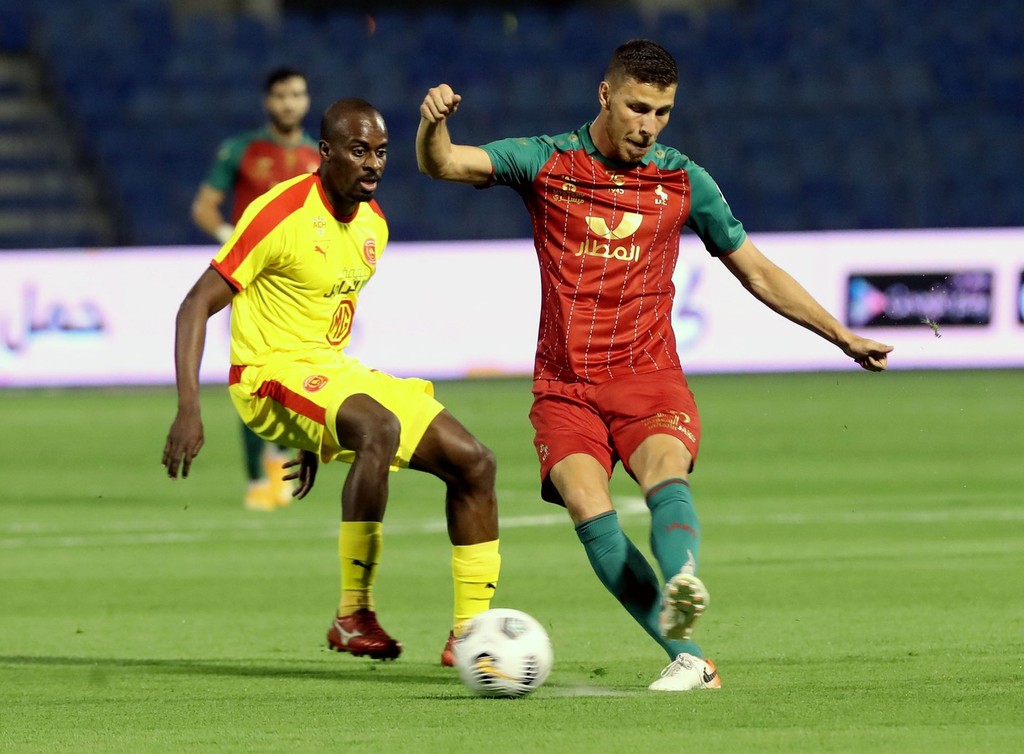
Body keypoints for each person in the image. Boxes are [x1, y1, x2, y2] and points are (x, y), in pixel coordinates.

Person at [416, 39, 894, 691]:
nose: (649, 125)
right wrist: (433, 125)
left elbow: (756, 270)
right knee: (588, 507)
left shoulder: (682, 181)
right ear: (605, 95)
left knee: (663, 473)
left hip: (648, 377)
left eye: (662, 112)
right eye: (637, 108)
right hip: (564, 388)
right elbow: (444, 163)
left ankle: (682, 576)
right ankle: (691, 658)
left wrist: (840, 336)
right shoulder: (546, 161)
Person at [165, 98, 501, 665]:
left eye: (381, 152)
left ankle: (472, 636)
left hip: (330, 373)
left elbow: (322, 325)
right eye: (359, 150)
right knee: (379, 427)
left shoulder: (373, 226)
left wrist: (322, 428)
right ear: (325, 152)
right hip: (267, 374)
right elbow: (195, 304)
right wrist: (188, 407)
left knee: (475, 462)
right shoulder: (281, 212)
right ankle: (353, 615)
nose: (373, 164)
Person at [191, 66, 321, 511]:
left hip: (299, 287)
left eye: (297, 94)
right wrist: (231, 236)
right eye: (281, 95)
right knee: (250, 377)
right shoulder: (242, 150)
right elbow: (204, 207)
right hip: (248, 283)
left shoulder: (318, 158)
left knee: (299, 375)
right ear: (268, 101)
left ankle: (280, 464)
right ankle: (257, 478)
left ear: (307, 101)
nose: (289, 103)